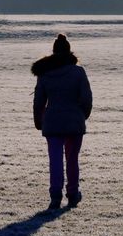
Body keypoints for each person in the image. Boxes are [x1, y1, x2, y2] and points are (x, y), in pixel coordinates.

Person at [32, 34, 92, 210]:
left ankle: (55, 196)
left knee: (55, 160)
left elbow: (39, 101)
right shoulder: (78, 72)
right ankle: (73, 194)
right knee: (72, 159)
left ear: (53, 52)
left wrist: (38, 120)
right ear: (69, 51)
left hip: (53, 122)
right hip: (74, 121)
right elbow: (86, 98)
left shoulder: (44, 73)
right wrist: (83, 115)